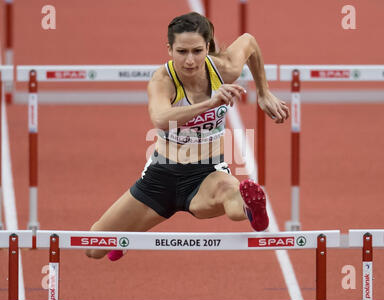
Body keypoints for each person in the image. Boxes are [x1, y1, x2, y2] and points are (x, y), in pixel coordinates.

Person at [86, 12, 289, 261]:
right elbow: (160, 118)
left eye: (197, 51)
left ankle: (252, 209)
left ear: (207, 48)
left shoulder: (223, 69)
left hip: (206, 173)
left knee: (232, 196)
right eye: (182, 52)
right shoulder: (162, 80)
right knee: (94, 247)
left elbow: (249, 41)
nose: (190, 61)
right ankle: (130, 234)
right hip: (161, 176)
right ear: (169, 49)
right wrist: (210, 103)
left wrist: (264, 92)